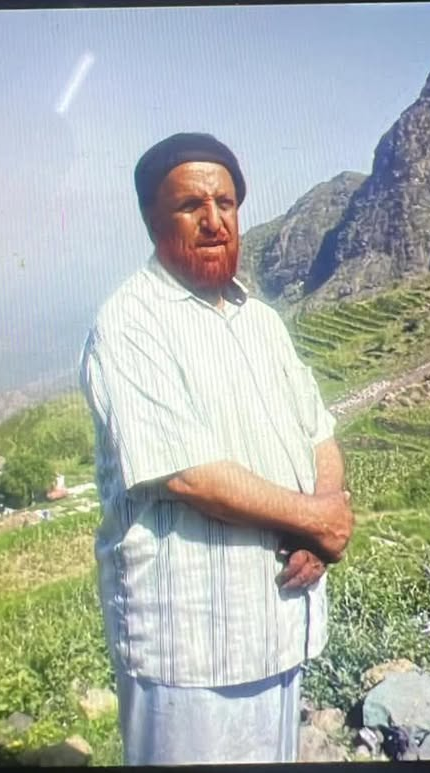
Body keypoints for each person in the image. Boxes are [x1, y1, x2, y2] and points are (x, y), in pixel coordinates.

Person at [79, 132, 354, 765]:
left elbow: (318, 432)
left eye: (225, 203)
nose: (213, 221)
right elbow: (187, 475)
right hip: (191, 645)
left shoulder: (261, 321)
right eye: (190, 206)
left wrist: (320, 521)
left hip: (278, 623)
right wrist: (318, 520)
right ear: (152, 219)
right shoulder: (130, 323)